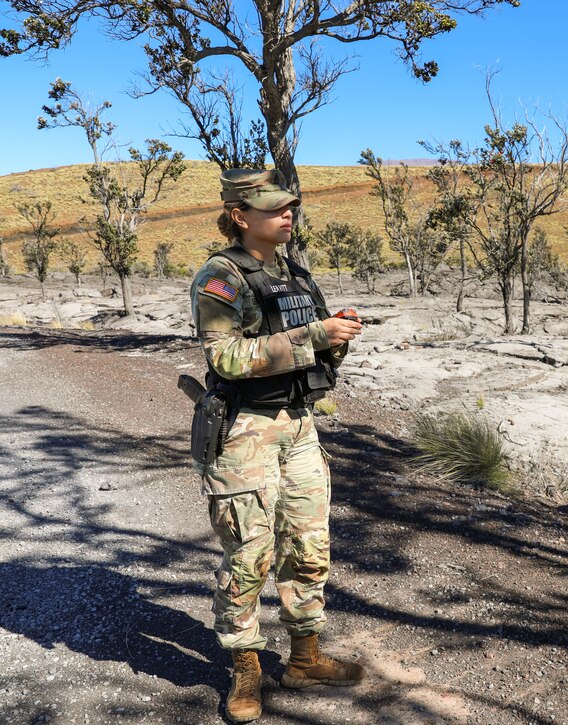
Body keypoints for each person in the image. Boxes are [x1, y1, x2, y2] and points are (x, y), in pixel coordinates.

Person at [189, 169, 365, 723]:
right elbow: (226, 358)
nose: (288, 214)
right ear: (241, 215)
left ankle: (304, 658)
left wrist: (334, 334)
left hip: (298, 426)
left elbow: (307, 348)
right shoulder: (221, 277)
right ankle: (246, 668)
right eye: (274, 208)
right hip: (245, 432)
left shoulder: (293, 274)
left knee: (310, 546)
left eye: (290, 206)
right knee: (249, 556)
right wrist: (313, 336)